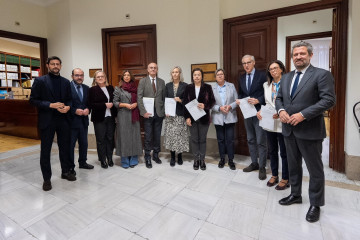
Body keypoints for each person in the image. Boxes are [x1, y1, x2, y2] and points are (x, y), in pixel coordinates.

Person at [276, 41, 336, 223]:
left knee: (314, 169)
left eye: (302, 54)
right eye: (295, 55)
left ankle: (316, 204)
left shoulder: (322, 75)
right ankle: (295, 194)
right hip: (289, 130)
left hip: (310, 131)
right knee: (293, 165)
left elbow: (328, 100)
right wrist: (281, 111)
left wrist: (303, 115)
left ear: (310, 55)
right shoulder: (285, 77)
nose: (298, 57)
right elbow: (279, 98)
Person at [29, 56, 75, 191]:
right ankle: (47, 179)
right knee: (46, 151)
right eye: (53, 64)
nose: (55, 66)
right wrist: (50, 105)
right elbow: (33, 101)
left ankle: (65, 171)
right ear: (48, 65)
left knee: (65, 148)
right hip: (47, 121)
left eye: (58, 64)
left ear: (61, 66)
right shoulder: (40, 81)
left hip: (63, 121)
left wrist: (68, 107)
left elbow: (70, 100)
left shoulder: (66, 82)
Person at [256, 60, 288, 190]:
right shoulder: (266, 85)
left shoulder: (287, 83)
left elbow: (291, 102)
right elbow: (267, 103)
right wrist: (260, 111)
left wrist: (280, 112)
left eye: (275, 68)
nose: (273, 70)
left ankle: (286, 178)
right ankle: (274, 175)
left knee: (284, 152)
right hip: (269, 121)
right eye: (271, 69)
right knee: (273, 151)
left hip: (283, 121)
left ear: (281, 69)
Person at [236, 55, 267, 180]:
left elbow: (269, 94)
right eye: (244, 63)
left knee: (261, 140)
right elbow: (242, 93)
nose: (246, 65)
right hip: (247, 113)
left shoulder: (263, 75)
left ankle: (262, 167)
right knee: (250, 139)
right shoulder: (241, 77)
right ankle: (254, 163)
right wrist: (239, 100)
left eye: (248, 62)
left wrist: (258, 100)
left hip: (260, 112)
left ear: (253, 63)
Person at [183, 68, 215, 170]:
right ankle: (196, 160)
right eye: (195, 75)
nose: (196, 76)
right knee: (194, 139)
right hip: (191, 118)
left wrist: (205, 105)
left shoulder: (208, 87)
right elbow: (185, 104)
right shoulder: (188, 87)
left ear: (202, 76)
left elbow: (212, 101)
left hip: (204, 118)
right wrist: (187, 117)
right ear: (192, 77)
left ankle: (202, 160)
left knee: (202, 140)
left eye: (198, 75)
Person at [137, 62, 166, 168]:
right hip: (147, 114)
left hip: (159, 113)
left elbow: (164, 98)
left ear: (157, 70)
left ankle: (156, 155)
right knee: (148, 136)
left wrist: (163, 111)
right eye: (151, 68)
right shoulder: (142, 81)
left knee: (157, 135)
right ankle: (147, 157)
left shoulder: (161, 82)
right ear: (148, 70)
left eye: (155, 68)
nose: (153, 69)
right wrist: (143, 111)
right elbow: (139, 97)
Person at [113, 70, 143, 168]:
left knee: (134, 136)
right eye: (124, 75)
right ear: (122, 78)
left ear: (131, 77)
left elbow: (140, 100)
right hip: (123, 116)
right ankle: (125, 160)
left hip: (134, 115)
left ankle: (134, 158)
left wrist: (136, 104)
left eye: (128, 75)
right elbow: (115, 103)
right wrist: (125, 105)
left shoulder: (136, 88)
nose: (126, 76)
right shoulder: (118, 89)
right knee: (124, 138)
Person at [88, 70, 117, 169]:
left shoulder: (110, 88)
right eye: (98, 77)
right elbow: (91, 104)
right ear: (95, 79)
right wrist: (104, 105)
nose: (100, 78)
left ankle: (110, 158)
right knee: (101, 140)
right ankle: (102, 160)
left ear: (105, 78)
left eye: (102, 76)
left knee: (110, 138)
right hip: (99, 118)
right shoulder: (92, 90)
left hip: (110, 117)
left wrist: (113, 105)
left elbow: (114, 100)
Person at [211, 69, 238, 170]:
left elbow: (237, 101)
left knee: (230, 140)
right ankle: (222, 158)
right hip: (218, 117)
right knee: (221, 139)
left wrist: (230, 106)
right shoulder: (212, 88)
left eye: (221, 74)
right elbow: (210, 103)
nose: (220, 76)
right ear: (215, 77)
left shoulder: (231, 86)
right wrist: (219, 108)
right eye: (218, 74)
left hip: (230, 116)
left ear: (224, 75)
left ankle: (231, 160)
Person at [164, 66, 189, 167]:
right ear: (171, 74)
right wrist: (166, 111)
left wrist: (181, 100)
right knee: (171, 137)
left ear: (180, 74)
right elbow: (165, 99)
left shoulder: (185, 86)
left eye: (177, 72)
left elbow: (188, 100)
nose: (175, 74)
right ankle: (172, 157)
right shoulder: (168, 85)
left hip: (180, 115)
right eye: (173, 72)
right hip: (170, 115)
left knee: (180, 136)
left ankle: (180, 156)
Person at [69, 68, 94, 170]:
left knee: (84, 144)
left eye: (81, 75)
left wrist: (89, 109)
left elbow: (89, 103)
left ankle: (83, 162)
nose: (79, 77)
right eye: (77, 75)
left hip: (83, 121)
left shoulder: (87, 88)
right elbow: (65, 103)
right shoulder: (67, 87)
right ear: (72, 76)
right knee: (70, 146)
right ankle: (70, 166)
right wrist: (74, 110)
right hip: (71, 122)